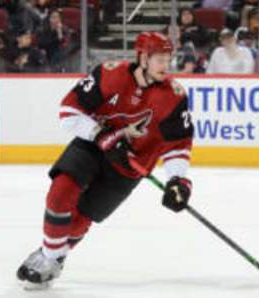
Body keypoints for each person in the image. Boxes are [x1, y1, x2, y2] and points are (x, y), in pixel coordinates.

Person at [16, 31, 194, 288]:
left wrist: (178, 179)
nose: (166, 66)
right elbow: (69, 111)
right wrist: (100, 134)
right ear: (143, 58)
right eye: (159, 59)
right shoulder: (110, 74)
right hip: (92, 146)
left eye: (168, 59)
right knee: (60, 192)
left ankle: (52, 256)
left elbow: (178, 144)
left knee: (80, 219)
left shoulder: (174, 96)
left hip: (128, 167)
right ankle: (48, 259)